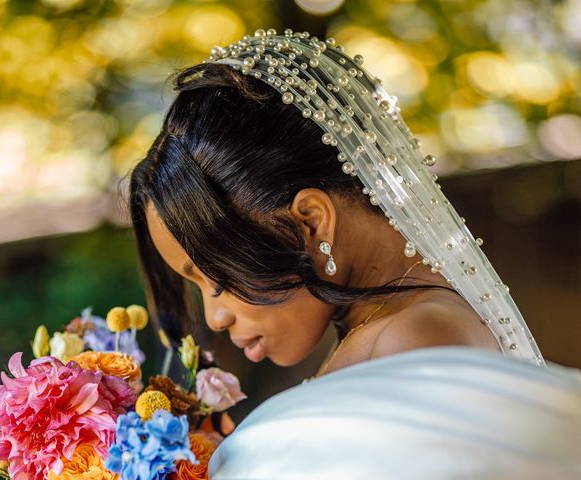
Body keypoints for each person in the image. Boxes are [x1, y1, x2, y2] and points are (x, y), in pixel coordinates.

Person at [128, 29, 581, 478]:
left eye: (218, 279)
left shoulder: (417, 339)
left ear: (311, 220)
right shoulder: (385, 334)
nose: (214, 319)